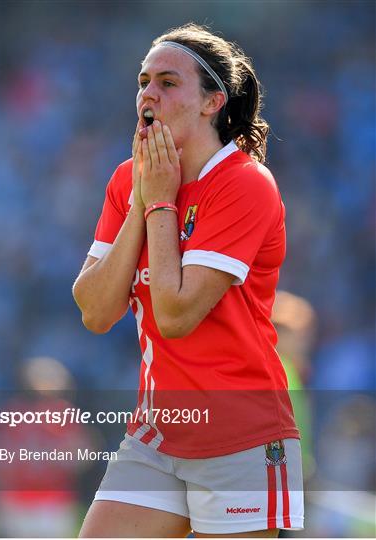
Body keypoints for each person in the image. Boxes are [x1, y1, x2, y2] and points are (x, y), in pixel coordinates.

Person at [73, 23, 304, 538]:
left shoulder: (244, 183)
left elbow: (175, 315)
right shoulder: (128, 179)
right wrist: (142, 198)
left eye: (168, 82)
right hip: (156, 434)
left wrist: (157, 199)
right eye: (143, 80)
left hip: (241, 437)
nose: (147, 93)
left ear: (212, 102)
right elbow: (94, 311)